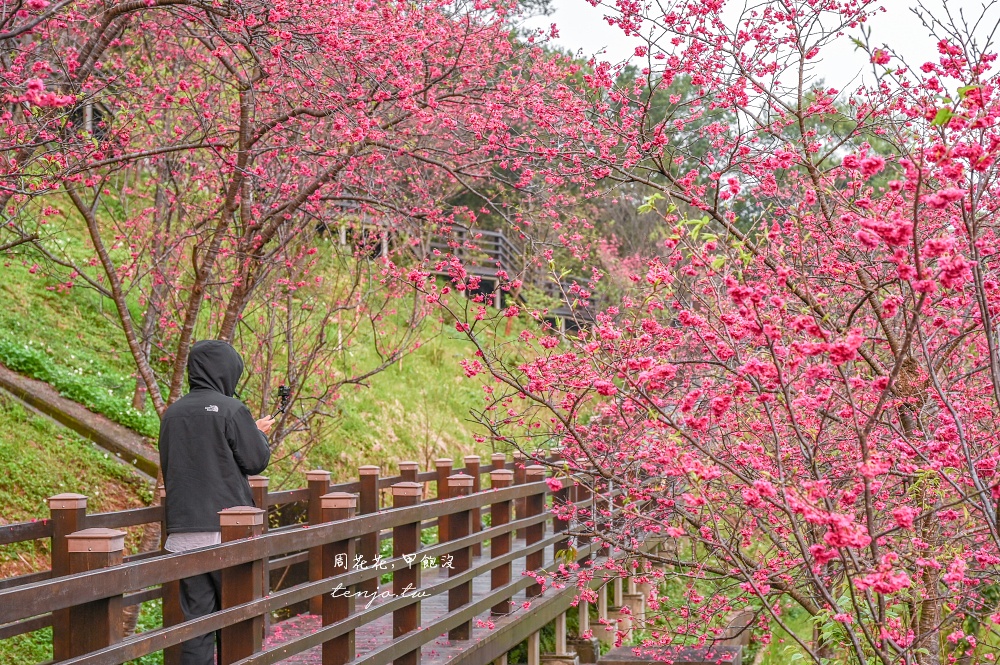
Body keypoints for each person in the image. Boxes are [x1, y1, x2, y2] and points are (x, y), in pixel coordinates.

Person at [158, 340, 274, 665]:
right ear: (226, 371)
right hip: (227, 533)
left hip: (183, 533)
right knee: (238, 619)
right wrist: (257, 433)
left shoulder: (172, 414)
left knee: (197, 625)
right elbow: (255, 460)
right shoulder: (231, 409)